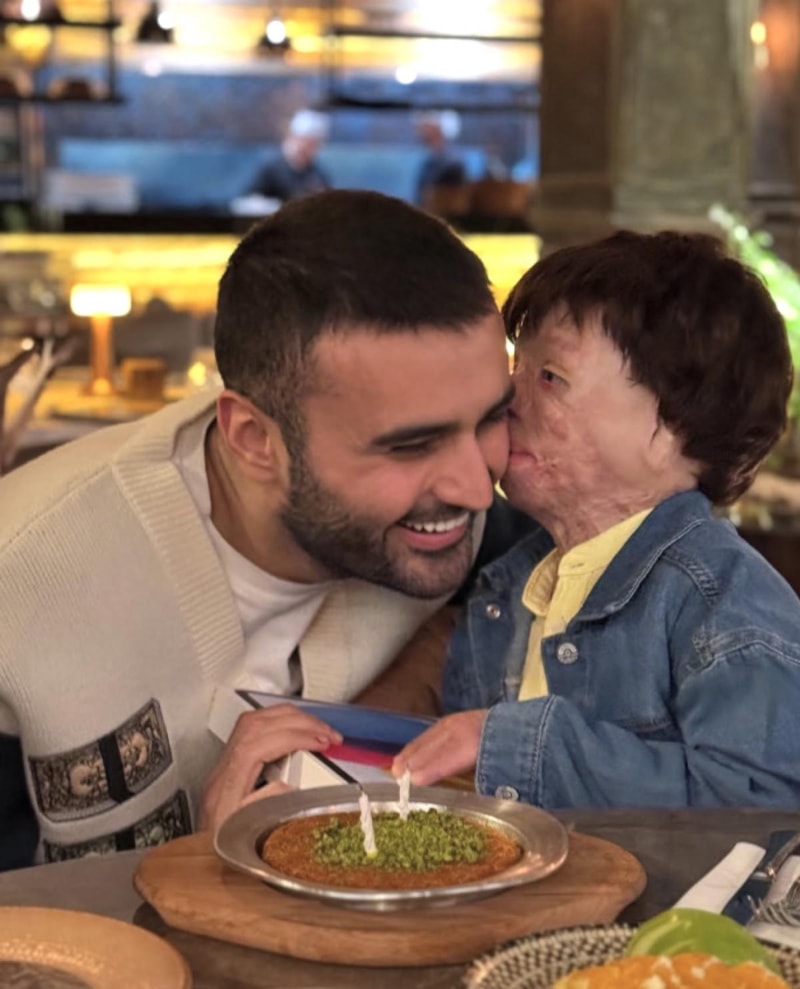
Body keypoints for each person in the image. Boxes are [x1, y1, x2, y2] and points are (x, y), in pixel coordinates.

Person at [0, 189, 529, 870]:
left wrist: (403, 688)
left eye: (491, 418)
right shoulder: (22, 574)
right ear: (253, 438)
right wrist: (209, 873)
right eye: (410, 445)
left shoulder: (479, 532)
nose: (476, 487)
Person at [393, 229, 800, 809]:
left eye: (549, 376)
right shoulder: (511, 585)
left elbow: (763, 808)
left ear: (670, 428)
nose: (504, 396)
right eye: (515, 365)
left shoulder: (725, 602)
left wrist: (517, 746)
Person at [247, 109, 331, 203]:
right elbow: (249, 201)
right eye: (304, 141)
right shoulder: (271, 167)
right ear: (292, 137)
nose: (306, 148)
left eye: (313, 144)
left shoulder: (316, 174)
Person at [413, 110, 467, 211]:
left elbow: (455, 198)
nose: (420, 131)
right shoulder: (429, 160)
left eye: (426, 126)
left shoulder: (452, 161)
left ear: (436, 129)